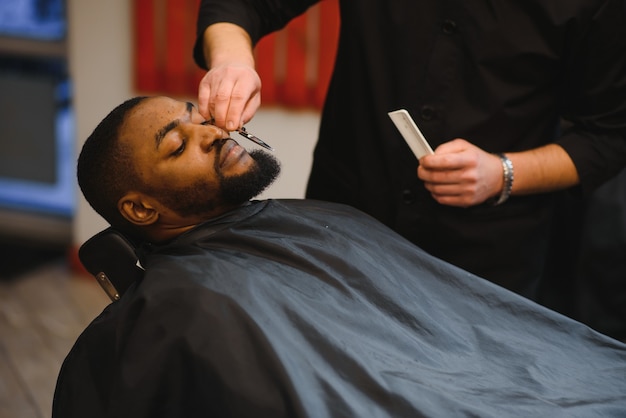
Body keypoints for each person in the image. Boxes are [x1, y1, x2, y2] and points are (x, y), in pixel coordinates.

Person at [53, 96, 626, 417]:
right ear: (142, 209)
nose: (213, 131)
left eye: (198, 116)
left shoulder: (324, 219)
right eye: (178, 145)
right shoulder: (179, 306)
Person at [192, 1, 626, 303]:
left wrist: (504, 172)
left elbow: (608, 135)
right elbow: (242, 4)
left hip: (485, 264)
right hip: (344, 227)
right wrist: (232, 60)